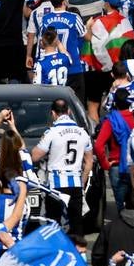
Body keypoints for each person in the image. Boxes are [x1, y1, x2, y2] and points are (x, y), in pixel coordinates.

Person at [31, 99, 94, 243]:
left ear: (53, 114)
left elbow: (35, 156)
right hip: (75, 183)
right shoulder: (82, 133)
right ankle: (79, 256)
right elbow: (89, 161)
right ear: (69, 112)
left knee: (53, 224)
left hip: (56, 184)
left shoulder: (51, 133)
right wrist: (82, 181)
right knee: (77, 225)